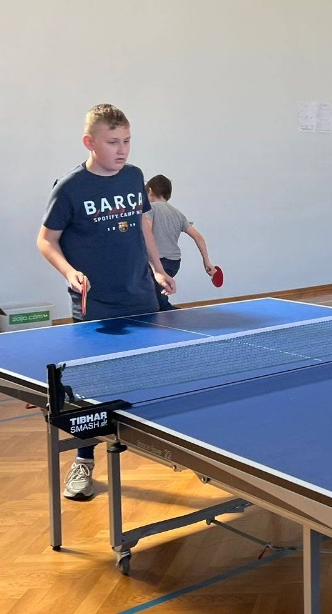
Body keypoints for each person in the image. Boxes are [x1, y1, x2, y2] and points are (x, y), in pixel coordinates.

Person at [36, 103, 176, 500]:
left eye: (127, 141)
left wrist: (157, 269)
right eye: (113, 142)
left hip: (141, 295)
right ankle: (83, 461)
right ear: (90, 142)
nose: (122, 149)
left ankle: (176, 444)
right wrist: (68, 272)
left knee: (157, 370)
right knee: (93, 388)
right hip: (95, 304)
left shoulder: (133, 176)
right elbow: (46, 240)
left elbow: (142, 226)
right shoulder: (70, 187)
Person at [145, 174, 218, 311]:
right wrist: (207, 262)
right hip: (173, 263)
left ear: (149, 191)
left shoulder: (150, 209)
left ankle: (180, 319)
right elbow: (198, 237)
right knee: (153, 298)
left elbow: (146, 233)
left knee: (159, 304)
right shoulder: (178, 213)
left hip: (158, 262)